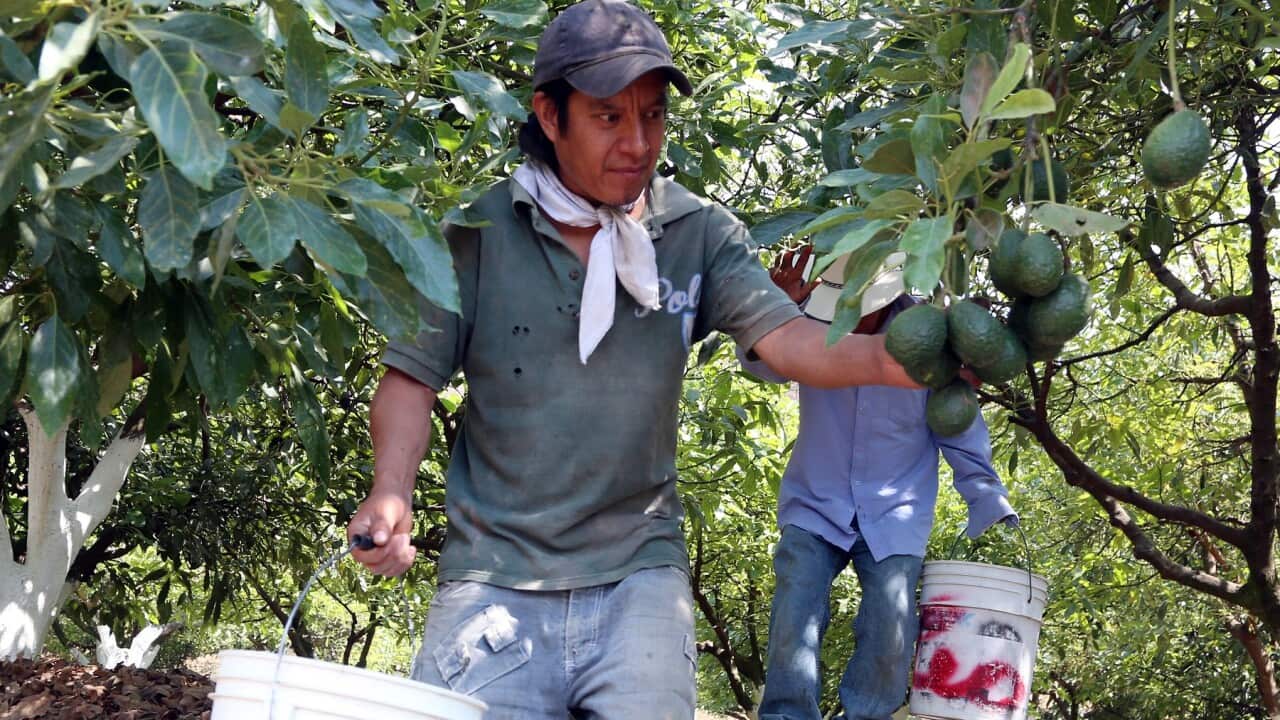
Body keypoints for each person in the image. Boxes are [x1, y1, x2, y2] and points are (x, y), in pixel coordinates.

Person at [344, 2, 920, 717]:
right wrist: (390, 491)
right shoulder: (475, 232)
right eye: (609, 117)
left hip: (639, 573)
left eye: (652, 116)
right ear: (549, 117)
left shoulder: (698, 232)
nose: (638, 142)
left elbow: (788, 339)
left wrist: (891, 361)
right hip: (494, 575)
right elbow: (411, 380)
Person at [739, 247, 1020, 720]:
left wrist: (987, 495)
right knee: (793, 612)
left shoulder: (934, 340)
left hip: (896, 510)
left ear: (885, 300)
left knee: (889, 626)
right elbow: (762, 365)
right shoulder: (808, 322)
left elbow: (957, 425)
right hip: (816, 502)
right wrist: (772, 308)